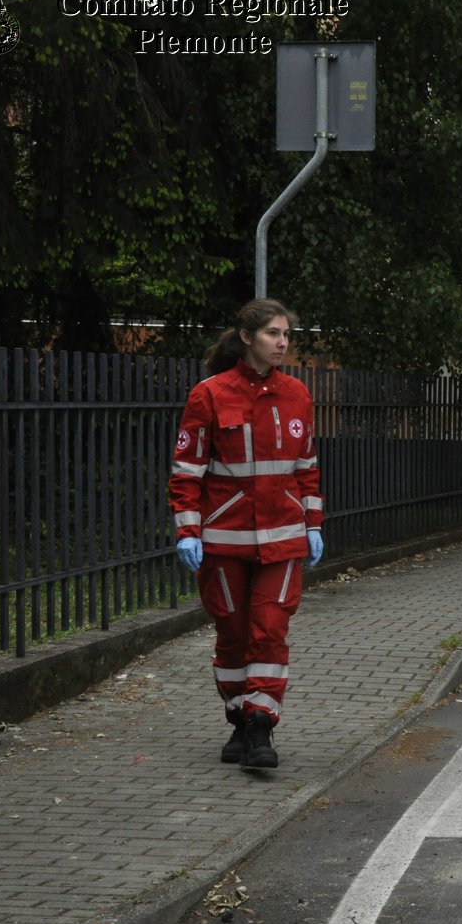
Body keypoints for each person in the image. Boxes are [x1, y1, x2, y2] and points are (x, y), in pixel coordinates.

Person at [169, 298, 324, 770]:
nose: (282, 343)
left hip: (283, 539)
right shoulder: (210, 395)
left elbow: (307, 470)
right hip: (224, 541)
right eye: (273, 334)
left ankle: (261, 727)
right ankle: (238, 719)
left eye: (286, 335)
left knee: (269, 631)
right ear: (247, 338)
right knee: (233, 635)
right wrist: (188, 531)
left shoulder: (297, 394)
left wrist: (313, 525)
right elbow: (186, 471)